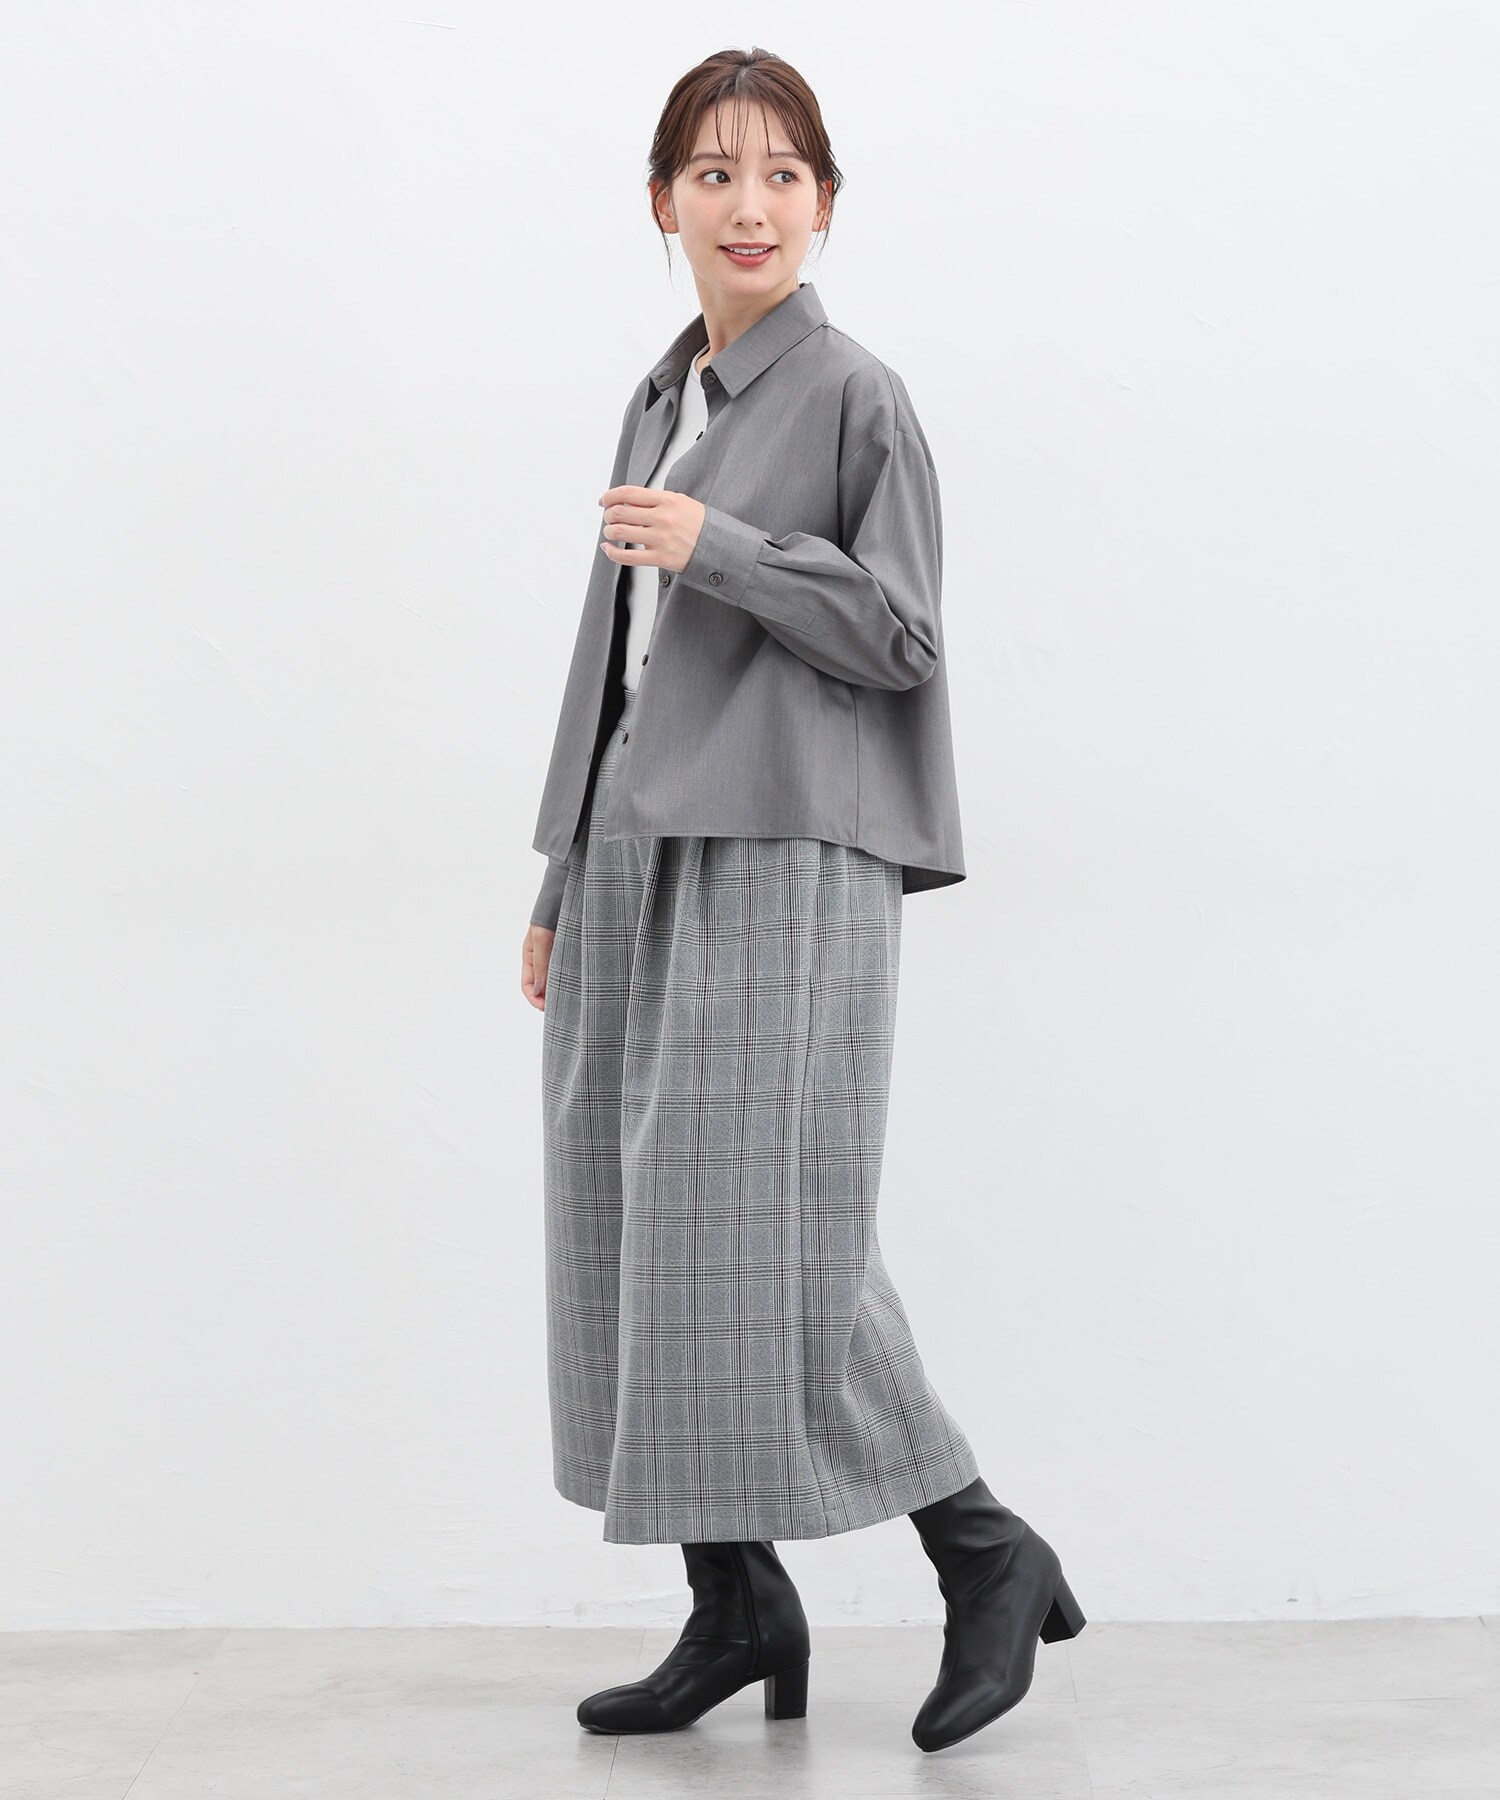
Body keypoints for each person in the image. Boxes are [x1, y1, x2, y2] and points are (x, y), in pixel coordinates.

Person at [520, 47, 1084, 1756]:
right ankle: (734, 1599)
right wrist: (558, 868)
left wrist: (723, 550)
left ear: (825, 202)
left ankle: (983, 1548)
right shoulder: (660, 397)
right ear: (662, 203)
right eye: (714, 174)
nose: (748, 205)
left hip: (788, 846)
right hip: (634, 848)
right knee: (625, 1213)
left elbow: (902, 639)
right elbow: (614, 663)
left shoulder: (855, 397)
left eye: (779, 174)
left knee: (772, 1216)